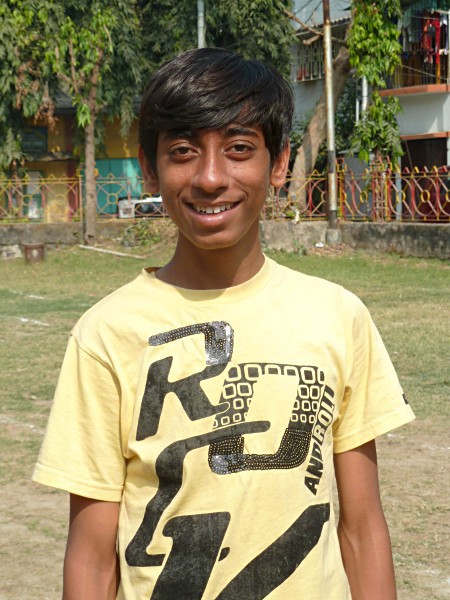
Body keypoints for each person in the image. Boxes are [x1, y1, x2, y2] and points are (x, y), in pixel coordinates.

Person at [33, 47, 415, 600]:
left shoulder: (338, 316)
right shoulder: (106, 334)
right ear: (149, 167)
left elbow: (362, 528)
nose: (211, 178)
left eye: (239, 149)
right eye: (183, 152)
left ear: (279, 164)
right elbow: (92, 559)